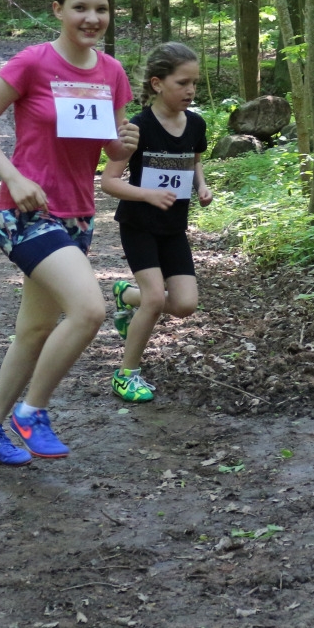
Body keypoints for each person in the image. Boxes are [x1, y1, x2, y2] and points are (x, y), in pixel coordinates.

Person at [0, 0, 137, 464]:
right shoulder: (32, 63)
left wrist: (124, 144)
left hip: (78, 216)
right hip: (25, 212)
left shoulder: (112, 72)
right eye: (80, 7)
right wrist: (13, 175)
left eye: (101, 9)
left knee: (35, 330)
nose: (92, 18)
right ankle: (32, 412)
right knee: (89, 310)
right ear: (58, 10)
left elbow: (110, 150)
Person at [100, 42, 212, 402]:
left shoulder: (195, 123)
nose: (191, 90)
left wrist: (202, 185)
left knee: (184, 305)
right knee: (153, 299)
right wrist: (147, 194)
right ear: (157, 83)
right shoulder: (138, 126)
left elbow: (193, 161)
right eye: (182, 83)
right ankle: (126, 374)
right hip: (139, 224)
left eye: (194, 82)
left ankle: (124, 294)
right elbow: (109, 181)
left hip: (173, 227)